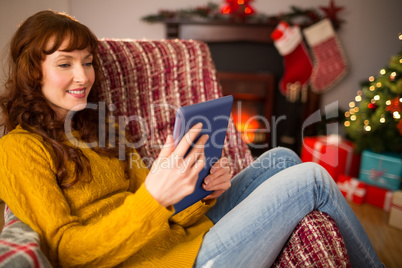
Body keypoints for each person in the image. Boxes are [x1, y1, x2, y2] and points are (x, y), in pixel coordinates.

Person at [0, 10, 383, 268]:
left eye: (86, 61)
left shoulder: (101, 127)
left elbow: (166, 211)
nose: (82, 76)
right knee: (312, 178)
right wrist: (153, 199)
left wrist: (203, 192)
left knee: (282, 157)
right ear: (33, 72)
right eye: (65, 63)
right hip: (175, 262)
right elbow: (65, 250)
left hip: (178, 238)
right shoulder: (18, 148)